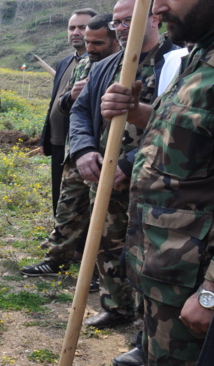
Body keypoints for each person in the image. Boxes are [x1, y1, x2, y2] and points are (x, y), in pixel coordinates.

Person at [98, 1, 214, 366]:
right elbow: (186, 144)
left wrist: (212, 291)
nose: (159, 5)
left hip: (195, 272)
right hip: (161, 258)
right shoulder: (199, 57)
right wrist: (138, 112)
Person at [68, 0, 179, 332]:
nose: (122, 27)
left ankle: (148, 330)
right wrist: (85, 150)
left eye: (130, 20)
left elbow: (172, 128)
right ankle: (116, 305)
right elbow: (80, 111)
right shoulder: (105, 67)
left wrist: (128, 163)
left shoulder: (174, 63)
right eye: (117, 22)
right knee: (104, 239)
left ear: (154, 19)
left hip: (153, 182)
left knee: (148, 252)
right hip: (103, 174)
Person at [21, 13, 121, 292]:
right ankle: (57, 259)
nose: (89, 48)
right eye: (87, 41)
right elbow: (65, 108)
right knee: (68, 207)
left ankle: (102, 273)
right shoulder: (83, 66)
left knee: (107, 218)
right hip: (80, 150)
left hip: (113, 153)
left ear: (115, 41)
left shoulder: (126, 67)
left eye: (97, 43)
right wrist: (73, 96)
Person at [41, 9, 97, 214]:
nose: (76, 32)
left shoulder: (102, 63)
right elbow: (55, 102)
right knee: (59, 193)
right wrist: (44, 138)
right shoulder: (64, 62)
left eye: (82, 27)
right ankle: (59, 233)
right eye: (72, 27)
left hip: (79, 144)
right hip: (57, 141)